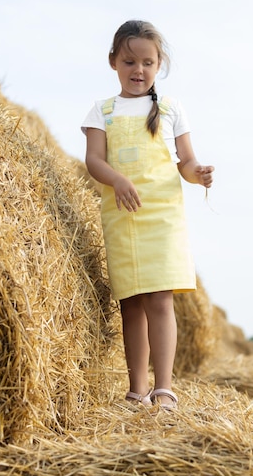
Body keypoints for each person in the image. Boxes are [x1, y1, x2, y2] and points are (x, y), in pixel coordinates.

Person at [81, 20, 214, 410]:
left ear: (158, 66)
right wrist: (117, 181)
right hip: (123, 215)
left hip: (162, 215)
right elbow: (93, 160)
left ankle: (165, 388)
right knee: (131, 303)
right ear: (113, 63)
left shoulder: (171, 108)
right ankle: (137, 389)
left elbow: (185, 162)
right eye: (129, 61)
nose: (137, 70)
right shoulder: (101, 110)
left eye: (147, 63)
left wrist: (198, 174)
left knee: (161, 299)